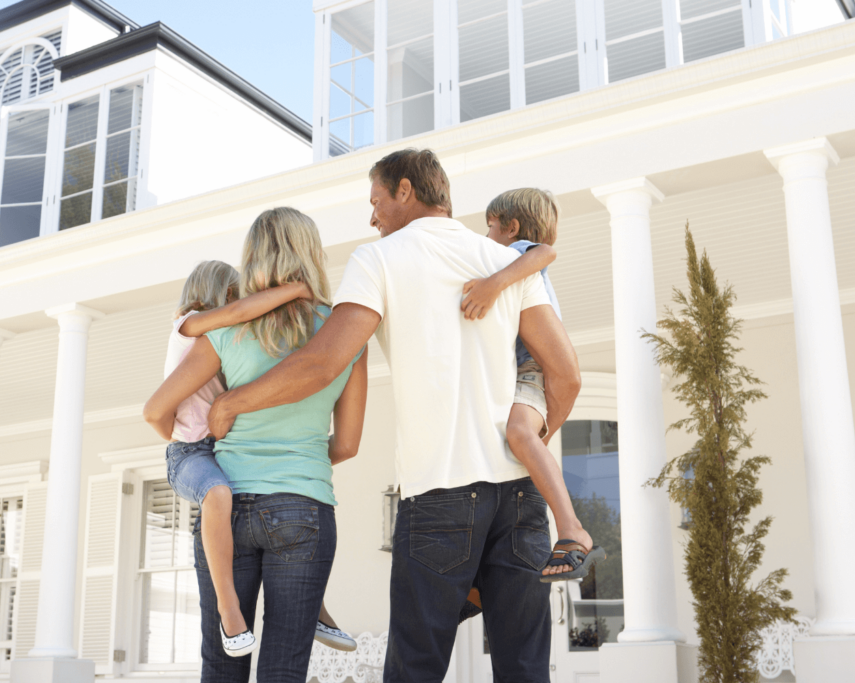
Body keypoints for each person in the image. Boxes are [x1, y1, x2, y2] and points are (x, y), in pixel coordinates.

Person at [207, 149, 582, 683]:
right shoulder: (504, 259)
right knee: (525, 668)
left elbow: (324, 361)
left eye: (376, 200)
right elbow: (565, 375)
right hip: (520, 500)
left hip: (439, 497)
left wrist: (231, 402)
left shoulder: (378, 258)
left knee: (415, 669)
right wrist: (530, 441)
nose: (372, 216)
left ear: (405, 191)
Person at [144, 209, 367, 681]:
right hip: (304, 506)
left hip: (231, 507)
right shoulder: (344, 334)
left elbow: (159, 407)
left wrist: (184, 440)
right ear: (311, 255)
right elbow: (346, 444)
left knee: (223, 665)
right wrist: (298, 462)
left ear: (252, 260)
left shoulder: (222, 331)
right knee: (284, 668)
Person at [460, 188, 604, 582]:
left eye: (489, 227)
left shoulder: (519, 255)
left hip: (533, 367)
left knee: (521, 434)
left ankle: (573, 529)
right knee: (512, 455)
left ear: (512, 228)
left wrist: (492, 284)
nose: (485, 236)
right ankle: (482, 579)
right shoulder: (511, 259)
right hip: (520, 368)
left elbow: (545, 252)